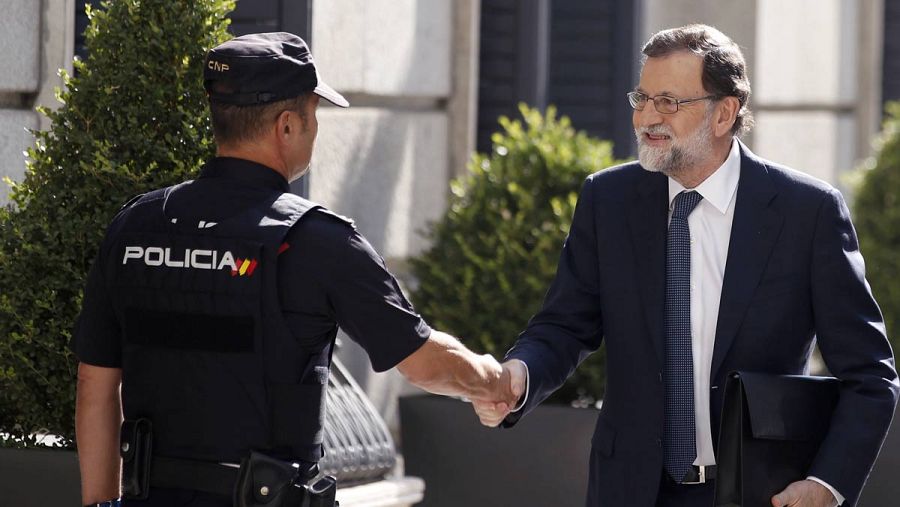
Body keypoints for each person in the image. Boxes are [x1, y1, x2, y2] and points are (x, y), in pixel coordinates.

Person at [73, 32, 516, 507]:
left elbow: (94, 387)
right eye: (314, 115)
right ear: (287, 126)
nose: (314, 130)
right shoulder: (317, 241)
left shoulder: (135, 226)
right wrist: (490, 380)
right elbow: (420, 360)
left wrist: (101, 504)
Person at [473, 24, 899, 507]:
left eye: (669, 102)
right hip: (629, 489)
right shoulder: (607, 200)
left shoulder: (808, 212)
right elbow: (565, 326)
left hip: (761, 493)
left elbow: (870, 375)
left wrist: (826, 485)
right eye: (641, 98)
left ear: (724, 113)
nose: (646, 118)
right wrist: (519, 374)